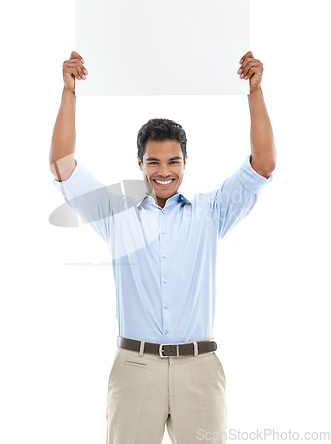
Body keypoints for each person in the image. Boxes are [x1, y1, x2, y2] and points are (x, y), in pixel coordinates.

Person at [49, 50, 276, 444]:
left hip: (199, 369)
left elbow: (263, 164)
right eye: (154, 162)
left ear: (186, 160)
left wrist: (255, 92)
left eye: (173, 161)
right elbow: (62, 165)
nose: (164, 171)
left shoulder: (211, 212)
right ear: (140, 163)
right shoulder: (116, 212)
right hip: (135, 368)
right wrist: (69, 92)